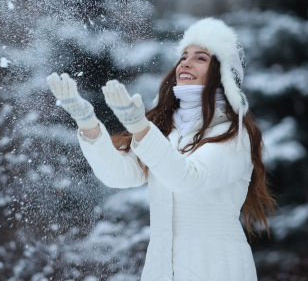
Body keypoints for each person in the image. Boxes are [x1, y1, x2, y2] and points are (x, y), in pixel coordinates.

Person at [46, 17, 276, 281]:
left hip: (217, 269)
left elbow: (187, 177)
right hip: (162, 270)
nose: (185, 63)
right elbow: (118, 174)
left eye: (200, 58)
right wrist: (88, 124)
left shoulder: (234, 135)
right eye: (184, 56)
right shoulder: (169, 133)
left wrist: (140, 127)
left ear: (223, 75)